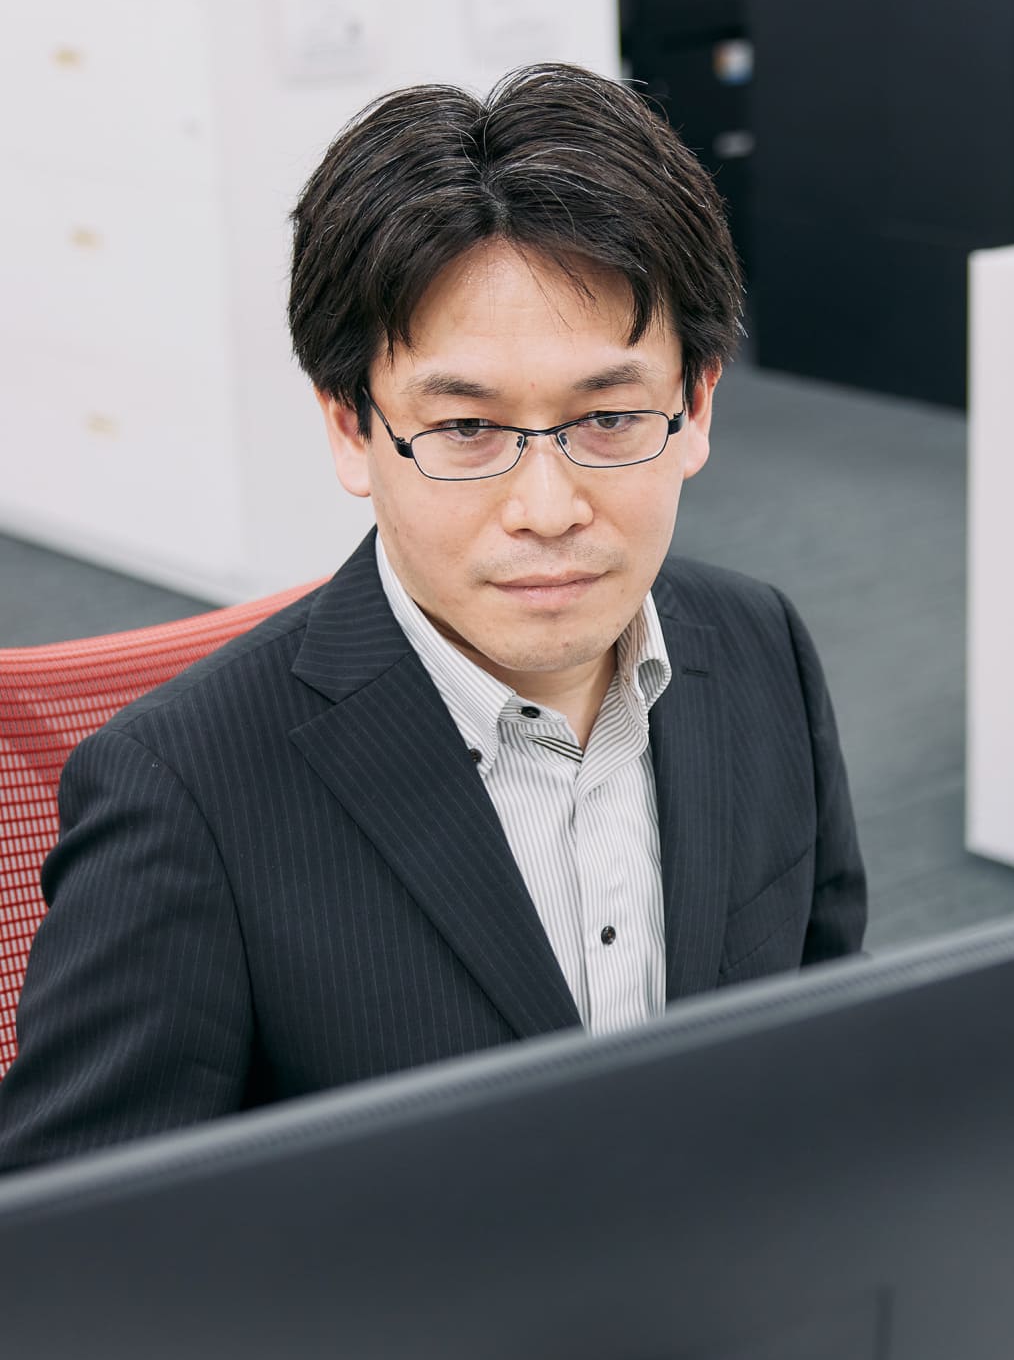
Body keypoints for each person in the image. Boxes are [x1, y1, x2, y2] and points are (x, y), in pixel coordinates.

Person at [0, 64, 866, 1172]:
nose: (547, 509)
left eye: (609, 418)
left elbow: (831, 1042)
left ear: (694, 406)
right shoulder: (185, 798)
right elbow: (79, 1241)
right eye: (465, 431)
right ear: (351, 431)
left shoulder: (758, 647)